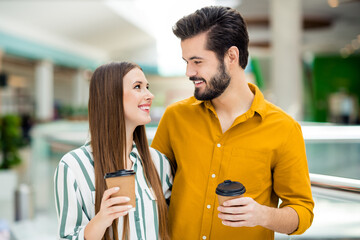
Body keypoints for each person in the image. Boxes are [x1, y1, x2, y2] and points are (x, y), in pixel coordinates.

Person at [151, 6, 314, 240]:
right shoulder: (175, 117)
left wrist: (263, 215)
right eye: (187, 61)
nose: (189, 71)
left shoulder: (284, 128)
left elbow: (302, 212)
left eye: (197, 61)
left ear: (231, 56)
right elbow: (152, 189)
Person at [54, 62, 172, 240]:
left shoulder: (159, 162)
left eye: (147, 87)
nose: (150, 95)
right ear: (111, 96)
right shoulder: (72, 167)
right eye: (138, 87)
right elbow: (68, 236)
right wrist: (101, 220)